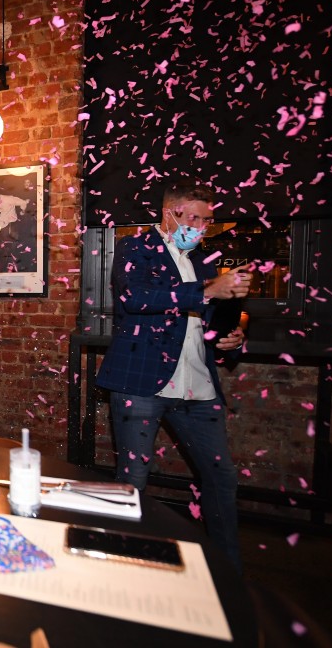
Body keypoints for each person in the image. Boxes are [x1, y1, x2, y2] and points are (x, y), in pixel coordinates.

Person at [95, 178, 250, 571]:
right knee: (132, 481)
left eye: (207, 221)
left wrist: (233, 338)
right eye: (194, 219)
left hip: (198, 386)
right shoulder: (136, 248)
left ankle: (228, 573)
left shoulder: (204, 261)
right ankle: (120, 567)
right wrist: (208, 292)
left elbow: (211, 322)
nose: (201, 228)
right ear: (170, 213)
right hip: (142, 382)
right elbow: (135, 298)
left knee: (222, 477)